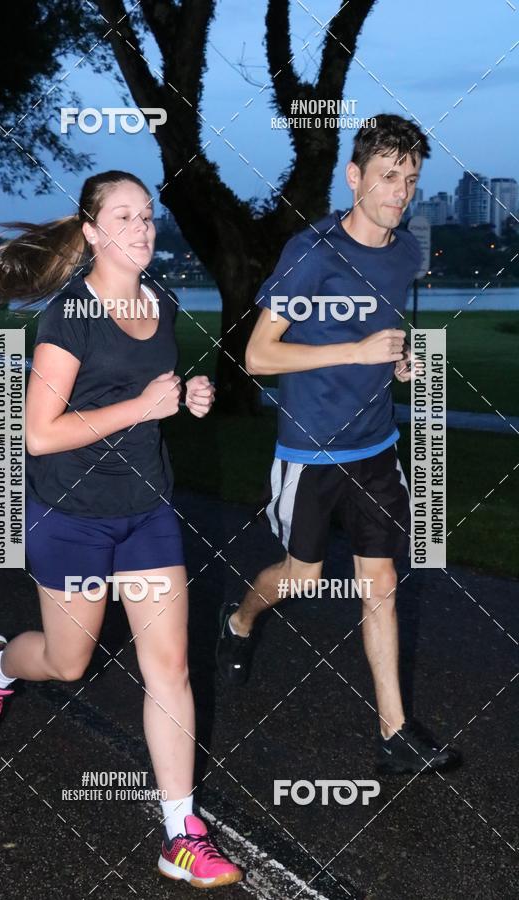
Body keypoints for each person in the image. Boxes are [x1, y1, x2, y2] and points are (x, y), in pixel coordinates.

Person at [0, 170, 242, 889]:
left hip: (146, 511)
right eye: (125, 217)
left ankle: (181, 831)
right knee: (67, 664)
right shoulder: (70, 318)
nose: (144, 229)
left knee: (171, 669)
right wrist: (145, 407)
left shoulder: (164, 301)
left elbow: (150, 394)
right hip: (72, 517)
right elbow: (37, 434)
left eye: (148, 216)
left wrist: (189, 398)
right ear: (92, 233)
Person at [215, 115, 461, 777]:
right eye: (387, 176)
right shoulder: (311, 252)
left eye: (410, 179)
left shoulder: (406, 253)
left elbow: (382, 331)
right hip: (311, 452)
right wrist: (354, 348)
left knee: (379, 583)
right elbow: (258, 356)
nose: (400, 192)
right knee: (302, 579)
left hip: (376, 448)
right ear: (355, 178)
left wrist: (397, 361)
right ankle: (239, 621)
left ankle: (394, 730)